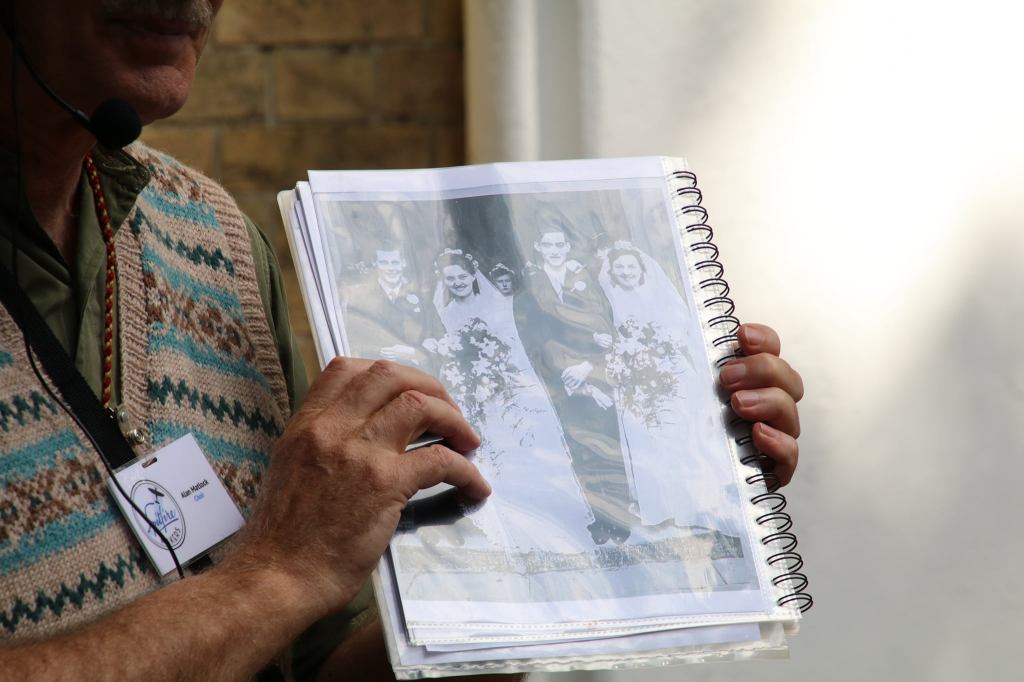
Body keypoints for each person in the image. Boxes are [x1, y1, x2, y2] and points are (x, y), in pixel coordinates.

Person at [0, 1, 805, 679]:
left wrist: (584, 528)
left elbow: (309, 660)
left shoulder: (210, 236)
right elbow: (283, 586)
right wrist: (282, 573)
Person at [427, 249, 594, 552]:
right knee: (497, 454)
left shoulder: (498, 304)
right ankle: (514, 528)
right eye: (451, 278)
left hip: (511, 386)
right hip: (478, 394)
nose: (458, 282)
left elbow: (515, 345)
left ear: (473, 274)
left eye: (463, 276)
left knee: (529, 444)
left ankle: (555, 517)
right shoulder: (447, 312)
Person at [513, 216, 641, 546]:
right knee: (579, 448)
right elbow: (534, 335)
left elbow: (604, 323)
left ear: (568, 247)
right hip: (562, 381)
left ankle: (620, 517)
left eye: (560, 244)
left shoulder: (584, 279)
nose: (555, 250)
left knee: (609, 445)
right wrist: (567, 370)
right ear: (539, 248)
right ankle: (599, 516)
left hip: (595, 373)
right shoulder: (530, 287)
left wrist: (588, 365)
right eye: (548, 245)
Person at [597, 241, 734, 531]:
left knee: (682, 432)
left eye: (631, 266)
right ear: (612, 271)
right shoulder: (609, 299)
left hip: (669, 369)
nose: (626, 272)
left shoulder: (658, 295)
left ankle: (700, 505)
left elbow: (678, 326)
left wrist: (662, 342)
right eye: (619, 267)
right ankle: (662, 508)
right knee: (649, 438)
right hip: (634, 376)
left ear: (641, 268)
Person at [342, 242, 442, 369]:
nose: (390, 268)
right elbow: (354, 339)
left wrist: (410, 352)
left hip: (414, 371)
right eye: (384, 263)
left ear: (403, 263)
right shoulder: (360, 299)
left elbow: (436, 337)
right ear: (376, 265)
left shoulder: (421, 300)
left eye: (394, 263)